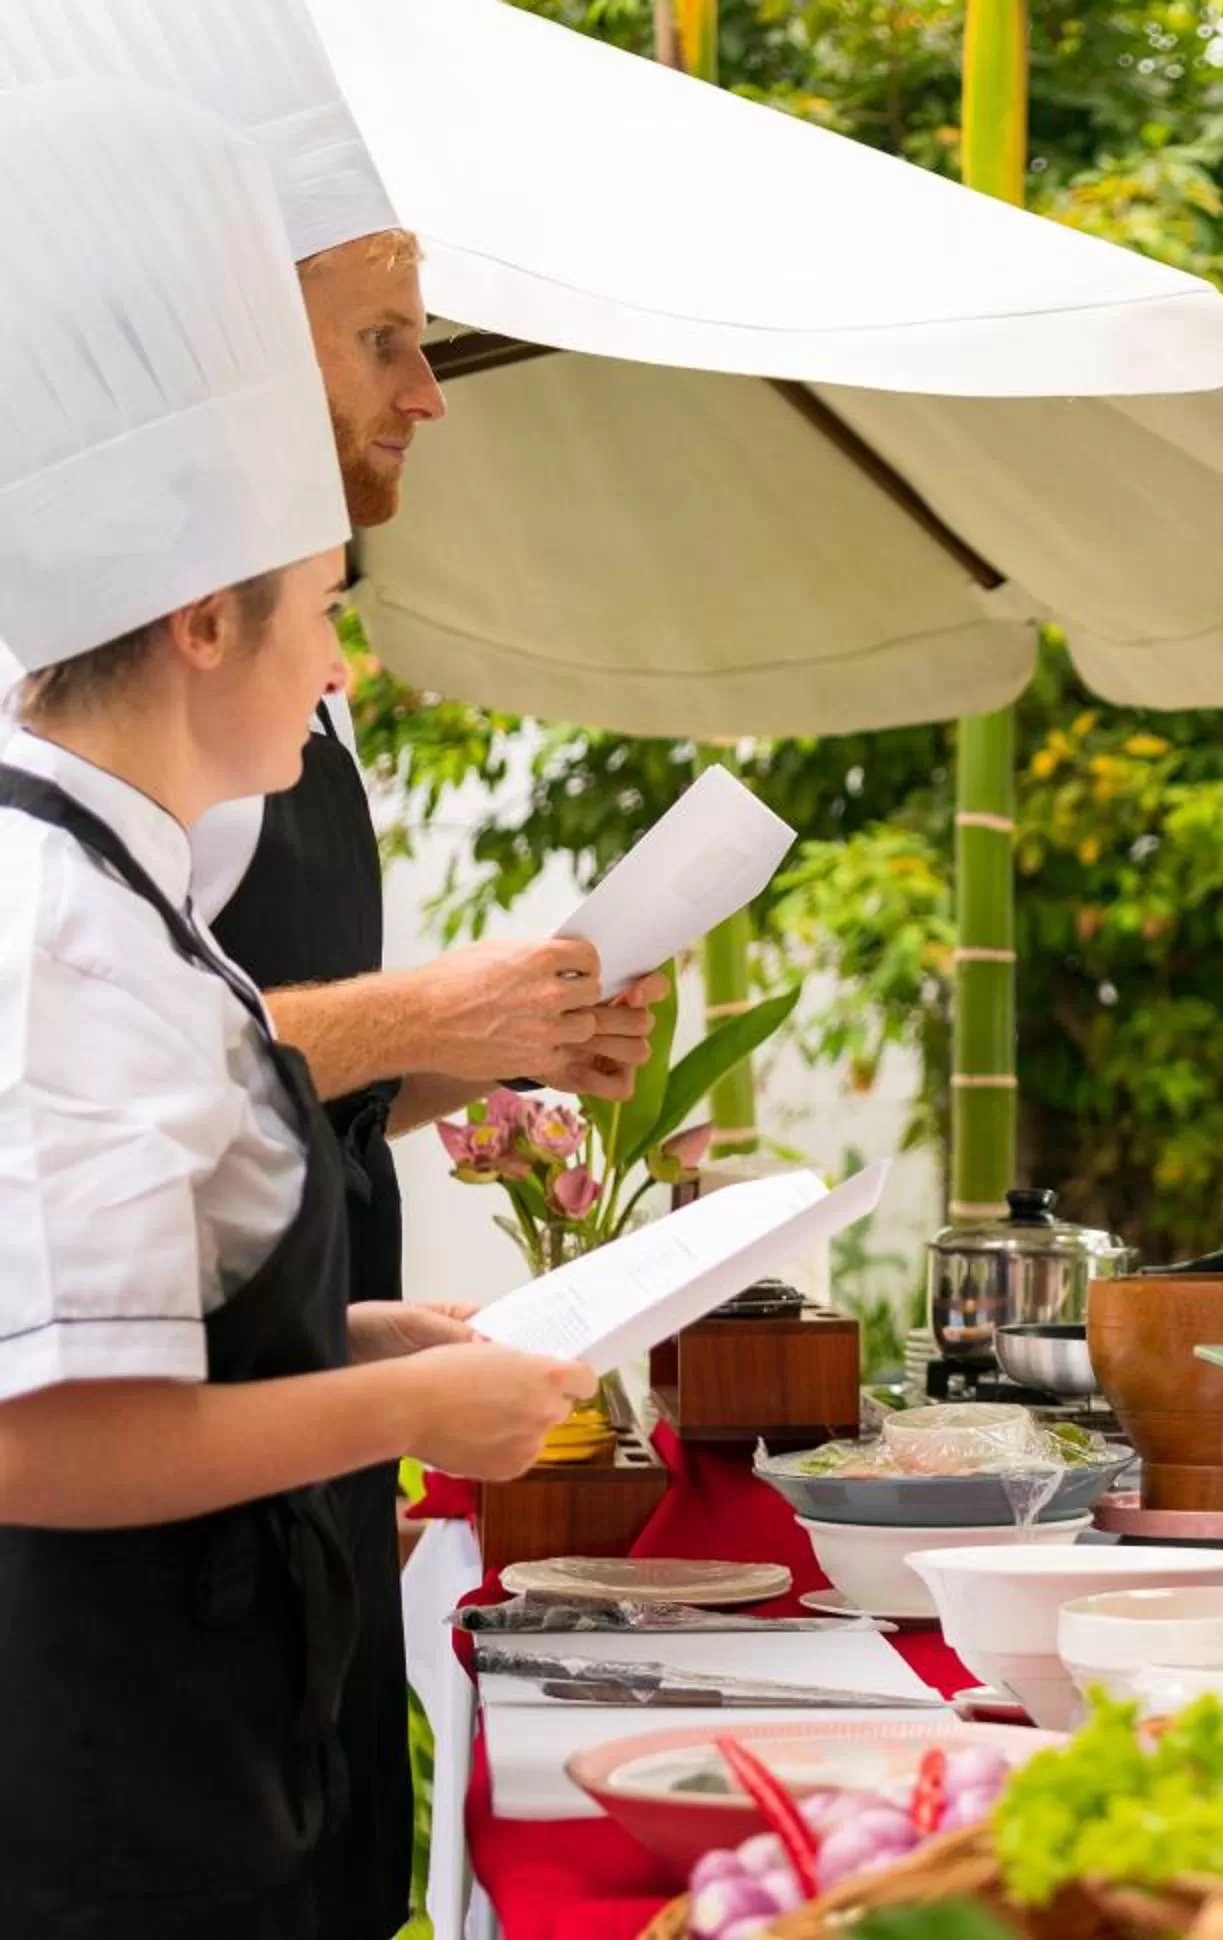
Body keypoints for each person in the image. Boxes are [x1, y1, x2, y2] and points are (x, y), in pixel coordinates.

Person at [0, 12, 673, 1930]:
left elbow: (149, 1292)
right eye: (318, 620)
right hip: (97, 1771)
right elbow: (40, 1432)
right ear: (206, 617)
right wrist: (395, 1409)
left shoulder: (109, 876)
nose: (341, 668)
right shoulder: (48, 911)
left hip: (218, 1707)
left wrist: (363, 1343)